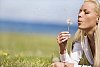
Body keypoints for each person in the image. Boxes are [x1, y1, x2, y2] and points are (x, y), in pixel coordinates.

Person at [51, 0, 100, 67]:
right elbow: (71, 63)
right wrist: (63, 49)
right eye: (80, 11)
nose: (79, 15)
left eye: (86, 12)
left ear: (98, 18)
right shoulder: (81, 36)